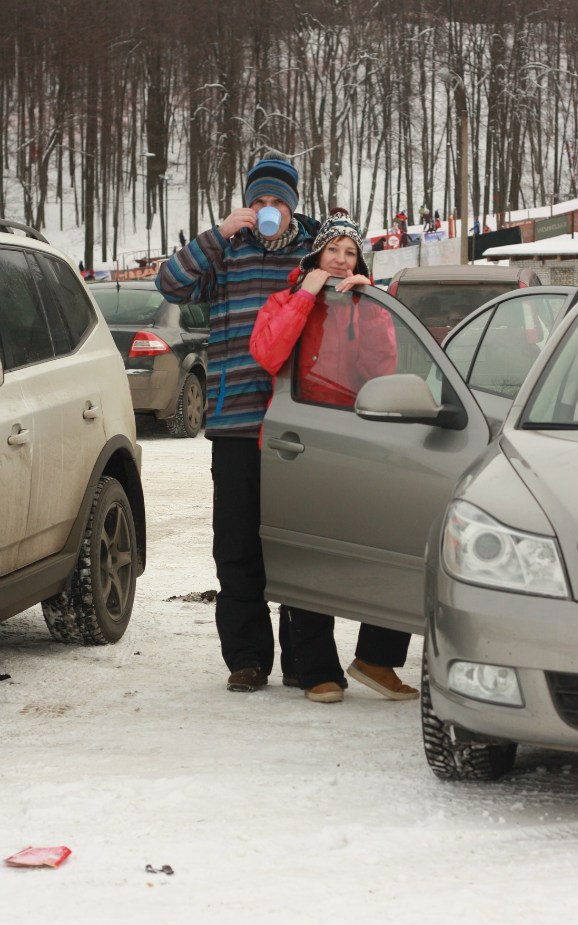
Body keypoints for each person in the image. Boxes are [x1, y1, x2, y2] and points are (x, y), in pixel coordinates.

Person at [156, 152, 319, 693]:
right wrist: (218, 233)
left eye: (278, 202)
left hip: (299, 427)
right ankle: (247, 659)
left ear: (293, 206)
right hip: (235, 423)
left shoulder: (313, 253)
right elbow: (170, 285)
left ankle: (303, 658)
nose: (268, 209)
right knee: (236, 545)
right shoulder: (226, 252)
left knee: (297, 545)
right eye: (259, 201)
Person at [250, 210, 417, 705]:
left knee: (391, 548)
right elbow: (269, 354)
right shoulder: (283, 300)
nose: (342, 260)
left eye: (350, 253)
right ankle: (315, 670)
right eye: (333, 250)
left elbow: (381, 370)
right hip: (300, 443)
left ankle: (377, 659)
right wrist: (306, 296)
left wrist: (370, 306)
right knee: (310, 557)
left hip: (359, 443)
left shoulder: (365, 304)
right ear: (316, 255)